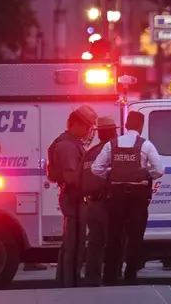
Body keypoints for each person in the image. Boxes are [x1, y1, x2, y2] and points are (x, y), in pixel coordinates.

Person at [91, 111, 164, 285]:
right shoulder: (146, 145)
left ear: (125, 125)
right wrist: (145, 173)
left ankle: (109, 276)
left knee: (114, 236)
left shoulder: (111, 144)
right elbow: (159, 170)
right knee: (135, 236)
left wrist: (111, 173)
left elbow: (96, 168)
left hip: (116, 196)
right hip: (138, 196)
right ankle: (130, 275)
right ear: (141, 126)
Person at [48, 104, 97, 288]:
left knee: (74, 242)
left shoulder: (71, 143)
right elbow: (71, 177)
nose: (89, 131)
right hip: (74, 199)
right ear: (75, 124)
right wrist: (93, 182)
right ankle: (70, 284)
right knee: (73, 243)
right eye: (87, 126)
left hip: (74, 198)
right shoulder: (67, 146)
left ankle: (68, 281)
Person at [80, 115, 118, 287]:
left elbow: (81, 180)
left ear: (100, 133)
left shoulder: (90, 152)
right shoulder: (113, 151)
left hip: (91, 204)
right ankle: (112, 279)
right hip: (108, 204)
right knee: (113, 242)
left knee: (95, 244)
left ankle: (92, 280)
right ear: (113, 132)